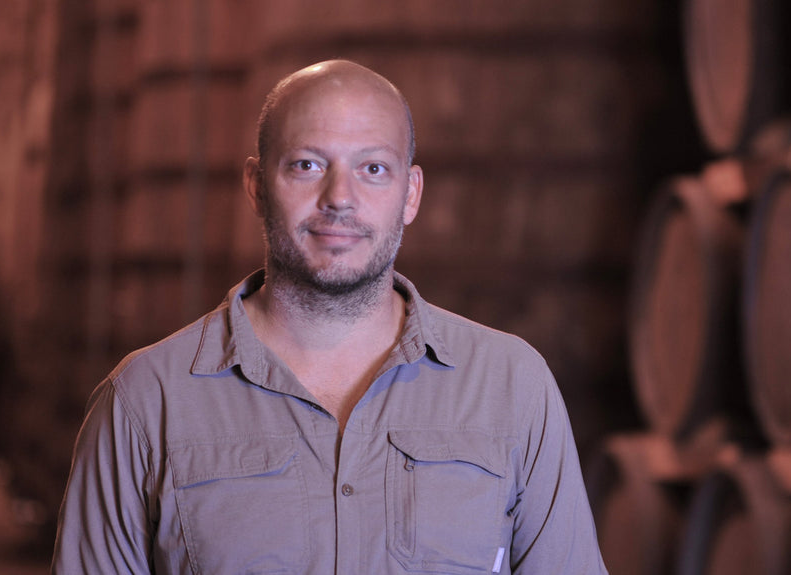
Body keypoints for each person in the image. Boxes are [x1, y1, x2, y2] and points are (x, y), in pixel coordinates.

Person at [51, 59, 608, 574]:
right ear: (255, 186)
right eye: (307, 164)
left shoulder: (512, 386)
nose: (339, 197)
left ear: (410, 194)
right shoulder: (144, 403)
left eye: (372, 168)